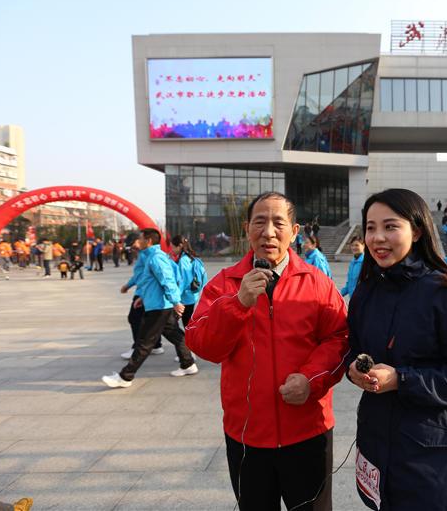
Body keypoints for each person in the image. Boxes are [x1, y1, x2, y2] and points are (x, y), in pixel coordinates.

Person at [185, 192, 349, 511]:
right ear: (247, 229)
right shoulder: (224, 284)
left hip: (308, 431)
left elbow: (340, 338)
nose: (269, 232)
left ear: (295, 231)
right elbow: (201, 344)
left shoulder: (317, 283)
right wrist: (238, 304)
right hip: (246, 435)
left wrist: (310, 379)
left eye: (278, 223)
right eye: (259, 222)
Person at [345, 188, 447, 511]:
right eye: (370, 227)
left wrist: (402, 380)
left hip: (429, 454)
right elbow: (353, 350)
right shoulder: (365, 292)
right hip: (376, 438)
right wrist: (355, 368)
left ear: (418, 230)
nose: (378, 237)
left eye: (390, 226)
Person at [102, 228, 196, 388]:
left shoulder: (156, 258)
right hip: (159, 304)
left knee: (145, 342)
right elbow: (152, 281)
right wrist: (143, 298)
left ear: (149, 241)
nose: (139, 241)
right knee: (175, 335)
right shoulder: (154, 256)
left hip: (159, 307)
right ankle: (188, 364)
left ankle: (125, 377)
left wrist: (176, 301)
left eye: (141, 238)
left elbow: (167, 279)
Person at [119, 238, 164, 359]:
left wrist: (129, 286)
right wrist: (128, 285)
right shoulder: (145, 254)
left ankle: (137, 348)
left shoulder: (147, 255)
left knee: (134, 318)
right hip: (146, 291)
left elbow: (142, 275)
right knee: (151, 320)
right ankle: (156, 345)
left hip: (143, 292)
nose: (132, 246)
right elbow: (139, 274)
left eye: (134, 243)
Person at [170, 235, 207, 331]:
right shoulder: (192, 257)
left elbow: (183, 281)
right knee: (187, 324)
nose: (172, 250)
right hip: (191, 296)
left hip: (184, 298)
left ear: (180, 246)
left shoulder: (183, 260)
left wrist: (176, 298)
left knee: (174, 324)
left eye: (173, 247)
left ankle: (187, 340)